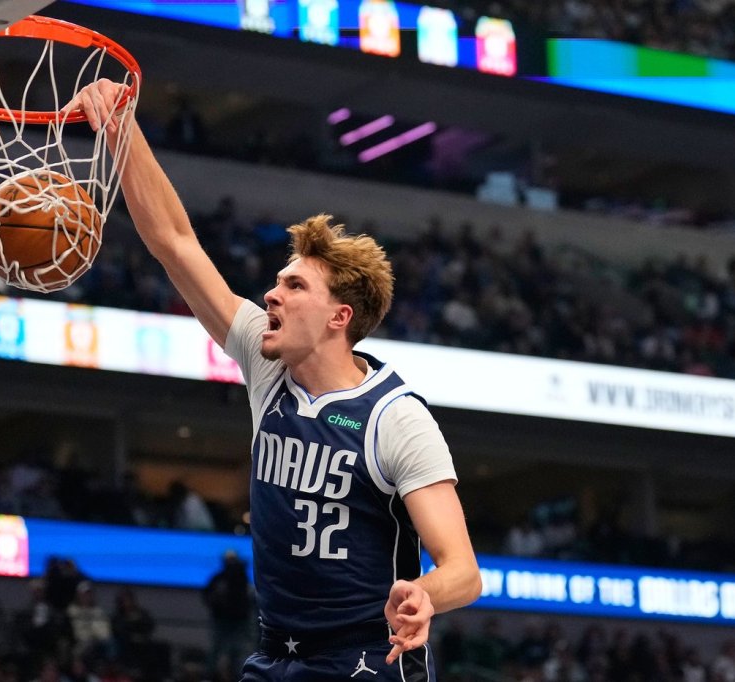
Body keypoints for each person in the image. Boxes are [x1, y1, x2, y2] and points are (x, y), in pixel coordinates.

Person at [67, 80, 482, 680]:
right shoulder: (267, 363)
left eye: (294, 286)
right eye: (278, 281)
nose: (270, 294)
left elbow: (463, 569)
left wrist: (425, 594)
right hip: (276, 655)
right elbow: (175, 244)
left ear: (339, 317)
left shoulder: (395, 418)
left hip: (367, 659)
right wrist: (121, 128)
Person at [203, 550, 254, 681]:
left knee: (238, 650)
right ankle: (209, 675)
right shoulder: (219, 578)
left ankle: (238, 676)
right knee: (216, 649)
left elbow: (248, 599)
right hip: (222, 620)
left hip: (239, 622)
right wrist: (217, 608)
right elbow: (207, 595)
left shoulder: (241, 579)